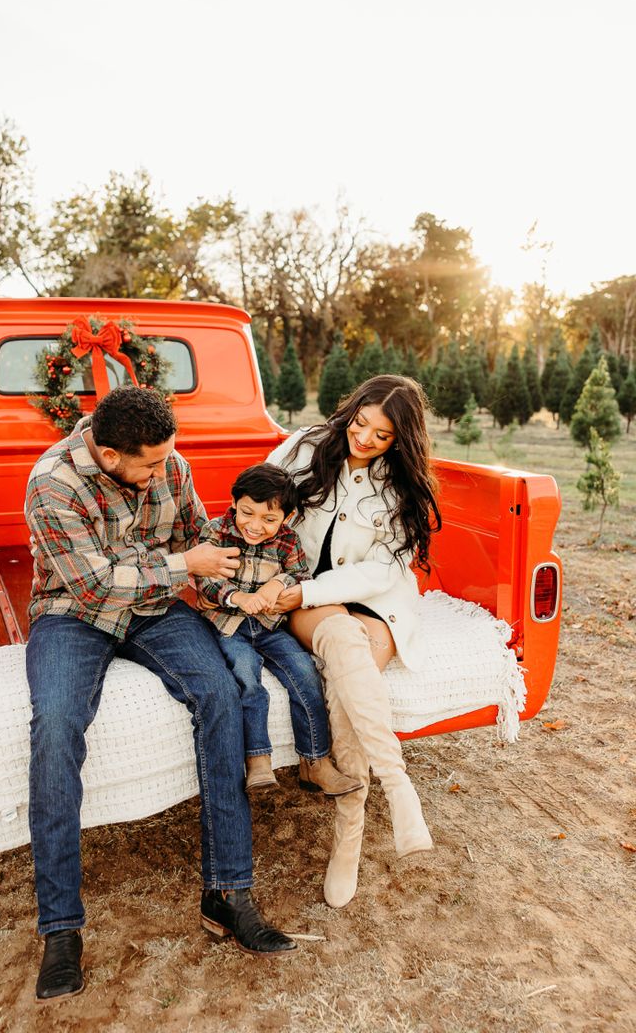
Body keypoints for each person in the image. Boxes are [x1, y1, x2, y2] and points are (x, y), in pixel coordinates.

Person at [25, 386, 296, 1003]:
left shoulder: (170, 461)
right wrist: (183, 566)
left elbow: (199, 534)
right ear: (111, 453)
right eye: (148, 464)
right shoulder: (54, 483)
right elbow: (93, 584)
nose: (162, 472)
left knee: (221, 695)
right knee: (56, 723)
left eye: (166, 460)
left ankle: (228, 895)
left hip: (154, 609)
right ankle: (61, 929)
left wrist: (263, 568)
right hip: (72, 613)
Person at [266, 374, 441, 908]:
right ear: (351, 412)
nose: (363, 440)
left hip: (374, 598)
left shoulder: (399, 487)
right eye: (360, 424)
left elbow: (383, 570)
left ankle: (353, 829)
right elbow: (258, 502)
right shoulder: (305, 447)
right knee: (340, 635)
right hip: (303, 597)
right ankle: (392, 785)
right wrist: (287, 586)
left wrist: (313, 590)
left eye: (382, 436)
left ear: (401, 441)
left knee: (350, 673)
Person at [196, 463, 362, 798]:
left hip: (271, 626)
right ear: (233, 503)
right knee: (246, 677)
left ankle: (314, 761)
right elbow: (205, 581)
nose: (255, 526)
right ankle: (258, 760)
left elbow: (300, 574)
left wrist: (276, 584)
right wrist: (238, 597)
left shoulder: (287, 540)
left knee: (305, 673)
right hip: (230, 626)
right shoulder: (215, 533)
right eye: (247, 513)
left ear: (285, 517)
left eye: (269, 519)